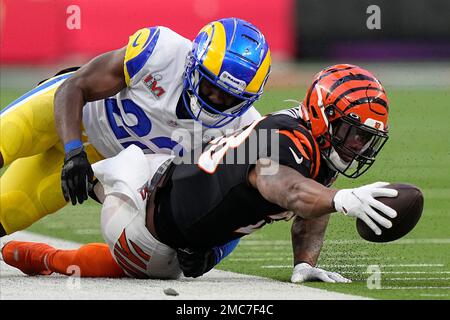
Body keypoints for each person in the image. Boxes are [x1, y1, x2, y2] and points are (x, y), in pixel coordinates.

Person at [1, 64, 397, 282]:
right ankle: (62, 236)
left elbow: (305, 204)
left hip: (150, 220)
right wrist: (340, 200)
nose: (357, 147)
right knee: (142, 162)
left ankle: (87, 196)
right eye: (352, 133)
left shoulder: (300, 144)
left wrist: (305, 262)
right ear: (325, 116)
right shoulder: (282, 138)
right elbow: (286, 187)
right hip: (157, 218)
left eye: (363, 139)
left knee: (147, 189)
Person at [0, 17, 270, 237]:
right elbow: (75, 87)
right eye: (211, 86)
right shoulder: (162, 53)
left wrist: (212, 248)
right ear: (192, 64)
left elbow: (234, 208)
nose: (216, 101)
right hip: (66, 116)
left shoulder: (243, 131)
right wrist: (73, 151)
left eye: (231, 98)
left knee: (9, 212)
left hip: (100, 163)